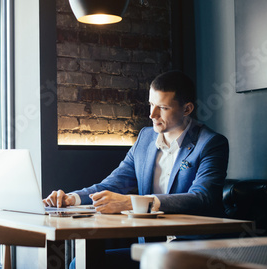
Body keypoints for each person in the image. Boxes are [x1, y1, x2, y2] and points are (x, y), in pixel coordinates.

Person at [43, 70, 229, 268]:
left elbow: (202, 198)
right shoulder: (145, 139)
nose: (152, 114)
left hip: (193, 250)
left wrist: (131, 203)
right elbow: (114, 184)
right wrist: (72, 199)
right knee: (78, 265)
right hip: (152, 248)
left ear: (187, 109)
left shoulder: (211, 143)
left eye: (163, 108)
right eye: (151, 104)